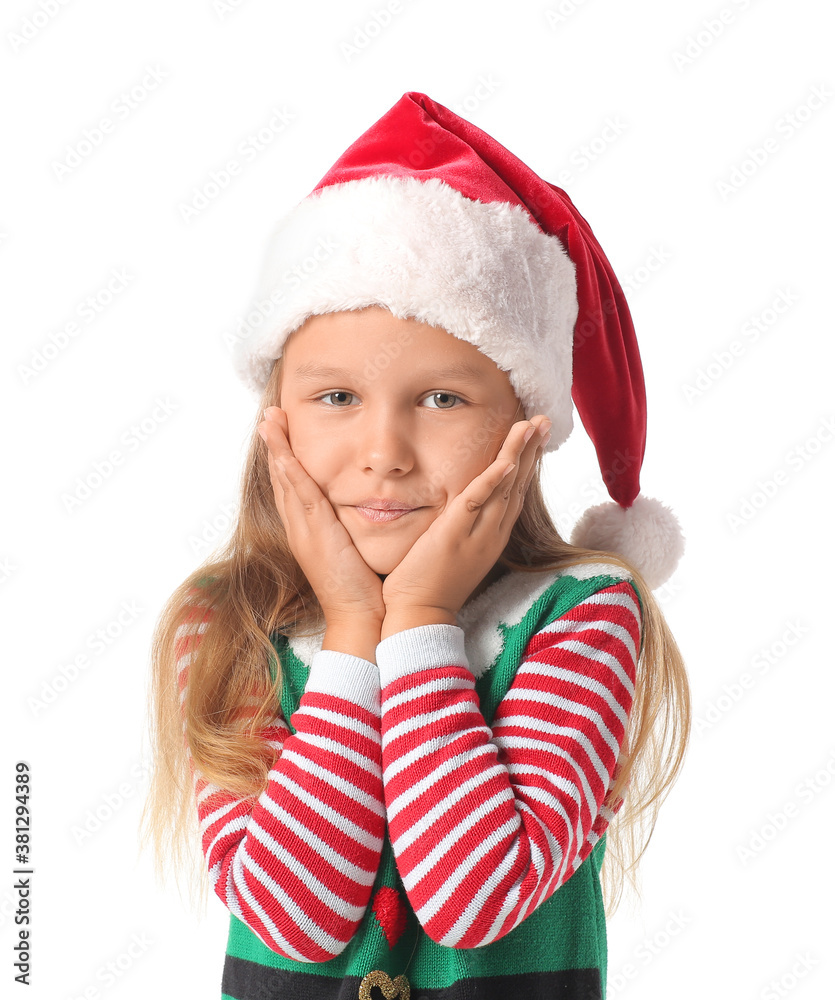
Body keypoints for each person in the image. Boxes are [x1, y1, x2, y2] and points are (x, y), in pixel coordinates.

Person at [142, 92, 691, 1000]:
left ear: (526, 424)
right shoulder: (227, 619)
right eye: (336, 398)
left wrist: (422, 622)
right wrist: (355, 624)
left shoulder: (583, 611)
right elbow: (292, 921)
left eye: (442, 399)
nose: (385, 454)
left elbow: (474, 898)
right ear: (273, 419)